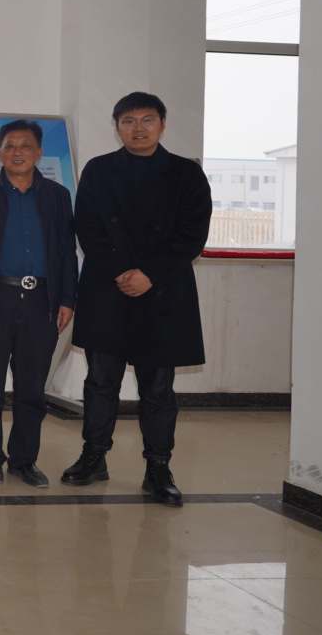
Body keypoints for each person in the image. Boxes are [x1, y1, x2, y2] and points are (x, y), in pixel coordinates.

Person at [64, 92, 211, 507]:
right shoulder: (99, 170)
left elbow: (192, 234)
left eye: (147, 119)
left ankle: (158, 467)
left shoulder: (186, 173)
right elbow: (87, 228)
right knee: (100, 381)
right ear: (117, 127)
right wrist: (122, 272)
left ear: (163, 124)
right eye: (128, 121)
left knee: (158, 388)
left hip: (163, 291)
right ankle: (94, 456)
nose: (138, 128)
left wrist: (149, 274)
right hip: (108, 290)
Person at [0, 120, 78, 488]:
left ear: (39, 152)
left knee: (31, 388)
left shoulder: (58, 196)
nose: (17, 152)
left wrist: (67, 299)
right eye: (10, 145)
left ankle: (24, 461)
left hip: (42, 301)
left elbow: (66, 251)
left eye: (25, 145)